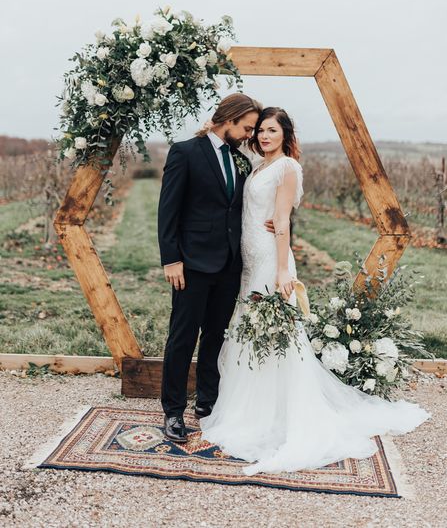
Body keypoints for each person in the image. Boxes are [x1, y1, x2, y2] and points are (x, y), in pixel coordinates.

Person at [200, 107, 431, 475]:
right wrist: (211, 126)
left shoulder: (287, 168)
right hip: (249, 259)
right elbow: (226, 142)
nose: (263, 136)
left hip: (270, 262)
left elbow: (284, 220)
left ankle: (274, 414)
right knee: (249, 330)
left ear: (285, 133)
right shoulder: (258, 164)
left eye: (272, 130)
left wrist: (280, 271)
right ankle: (253, 406)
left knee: (273, 337)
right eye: (260, 130)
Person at [158, 93, 264, 443]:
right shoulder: (185, 152)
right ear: (228, 119)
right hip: (191, 264)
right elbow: (168, 210)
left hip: (230, 264)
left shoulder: (240, 157)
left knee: (216, 337)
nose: (249, 134)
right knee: (183, 336)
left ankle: (207, 402)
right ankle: (173, 411)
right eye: (246, 127)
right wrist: (171, 259)